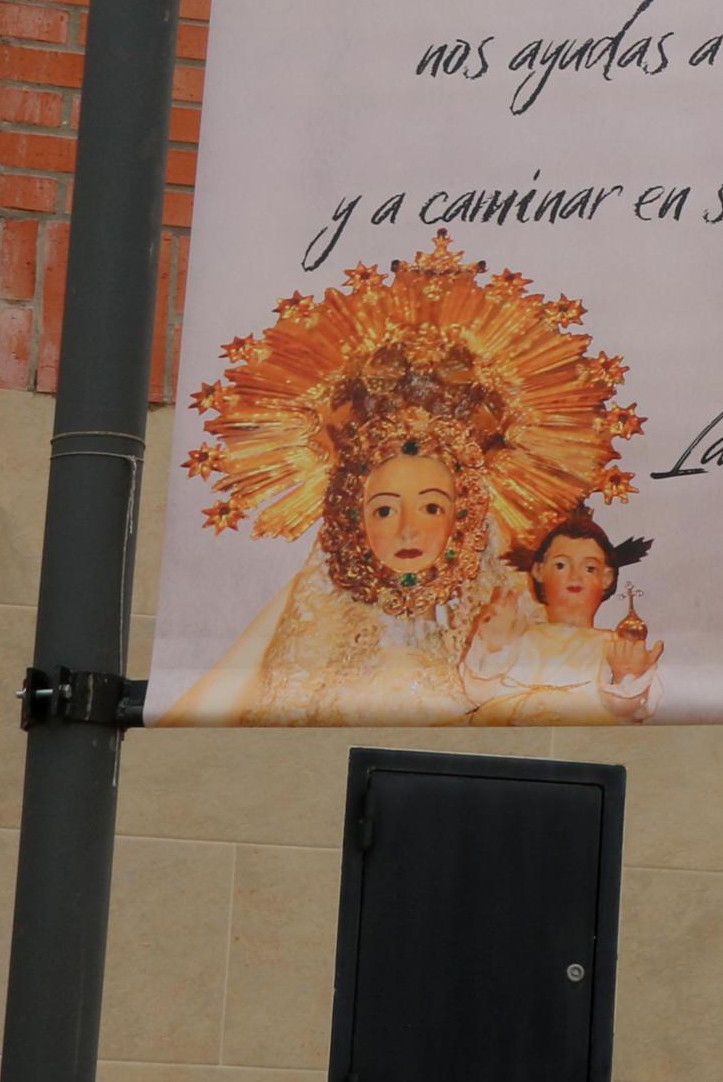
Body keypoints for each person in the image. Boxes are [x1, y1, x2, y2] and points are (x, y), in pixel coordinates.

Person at [161, 234, 640, 725]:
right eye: (385, 510)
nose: (408, 531)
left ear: (465, 513)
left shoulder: (514, 620)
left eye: (432, 507)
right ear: (353, 516)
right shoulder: (316, 632)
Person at [464, 508, 664, 723]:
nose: (575, 576)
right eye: (561, 565)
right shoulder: (517, 638)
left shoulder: (613, 647)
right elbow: (479, 692)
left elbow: (627, 711)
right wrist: (493, 646)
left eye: (589, 568)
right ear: (539, 571)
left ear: (606, 578)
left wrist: (627, 677)